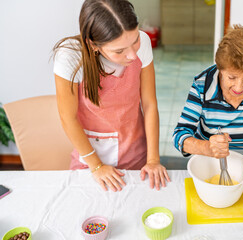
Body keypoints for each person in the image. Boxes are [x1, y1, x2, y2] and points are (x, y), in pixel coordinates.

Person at [53, 0, 170, 192]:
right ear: (93, 45)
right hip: (91, 159)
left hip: (136, 152)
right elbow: (68, 118)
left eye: (135, 42)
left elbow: (149, 104)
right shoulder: (70, 56)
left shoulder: (144, 43)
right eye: (119, 51)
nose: (133, 55)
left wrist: (153, 159)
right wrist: (96, 165)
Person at [173, 25, 243, 189]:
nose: (239, 88)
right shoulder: (201, 85)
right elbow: (179, 136)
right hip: (208, 164)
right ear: (220, 68)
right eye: (232, 77)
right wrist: (207, 147)